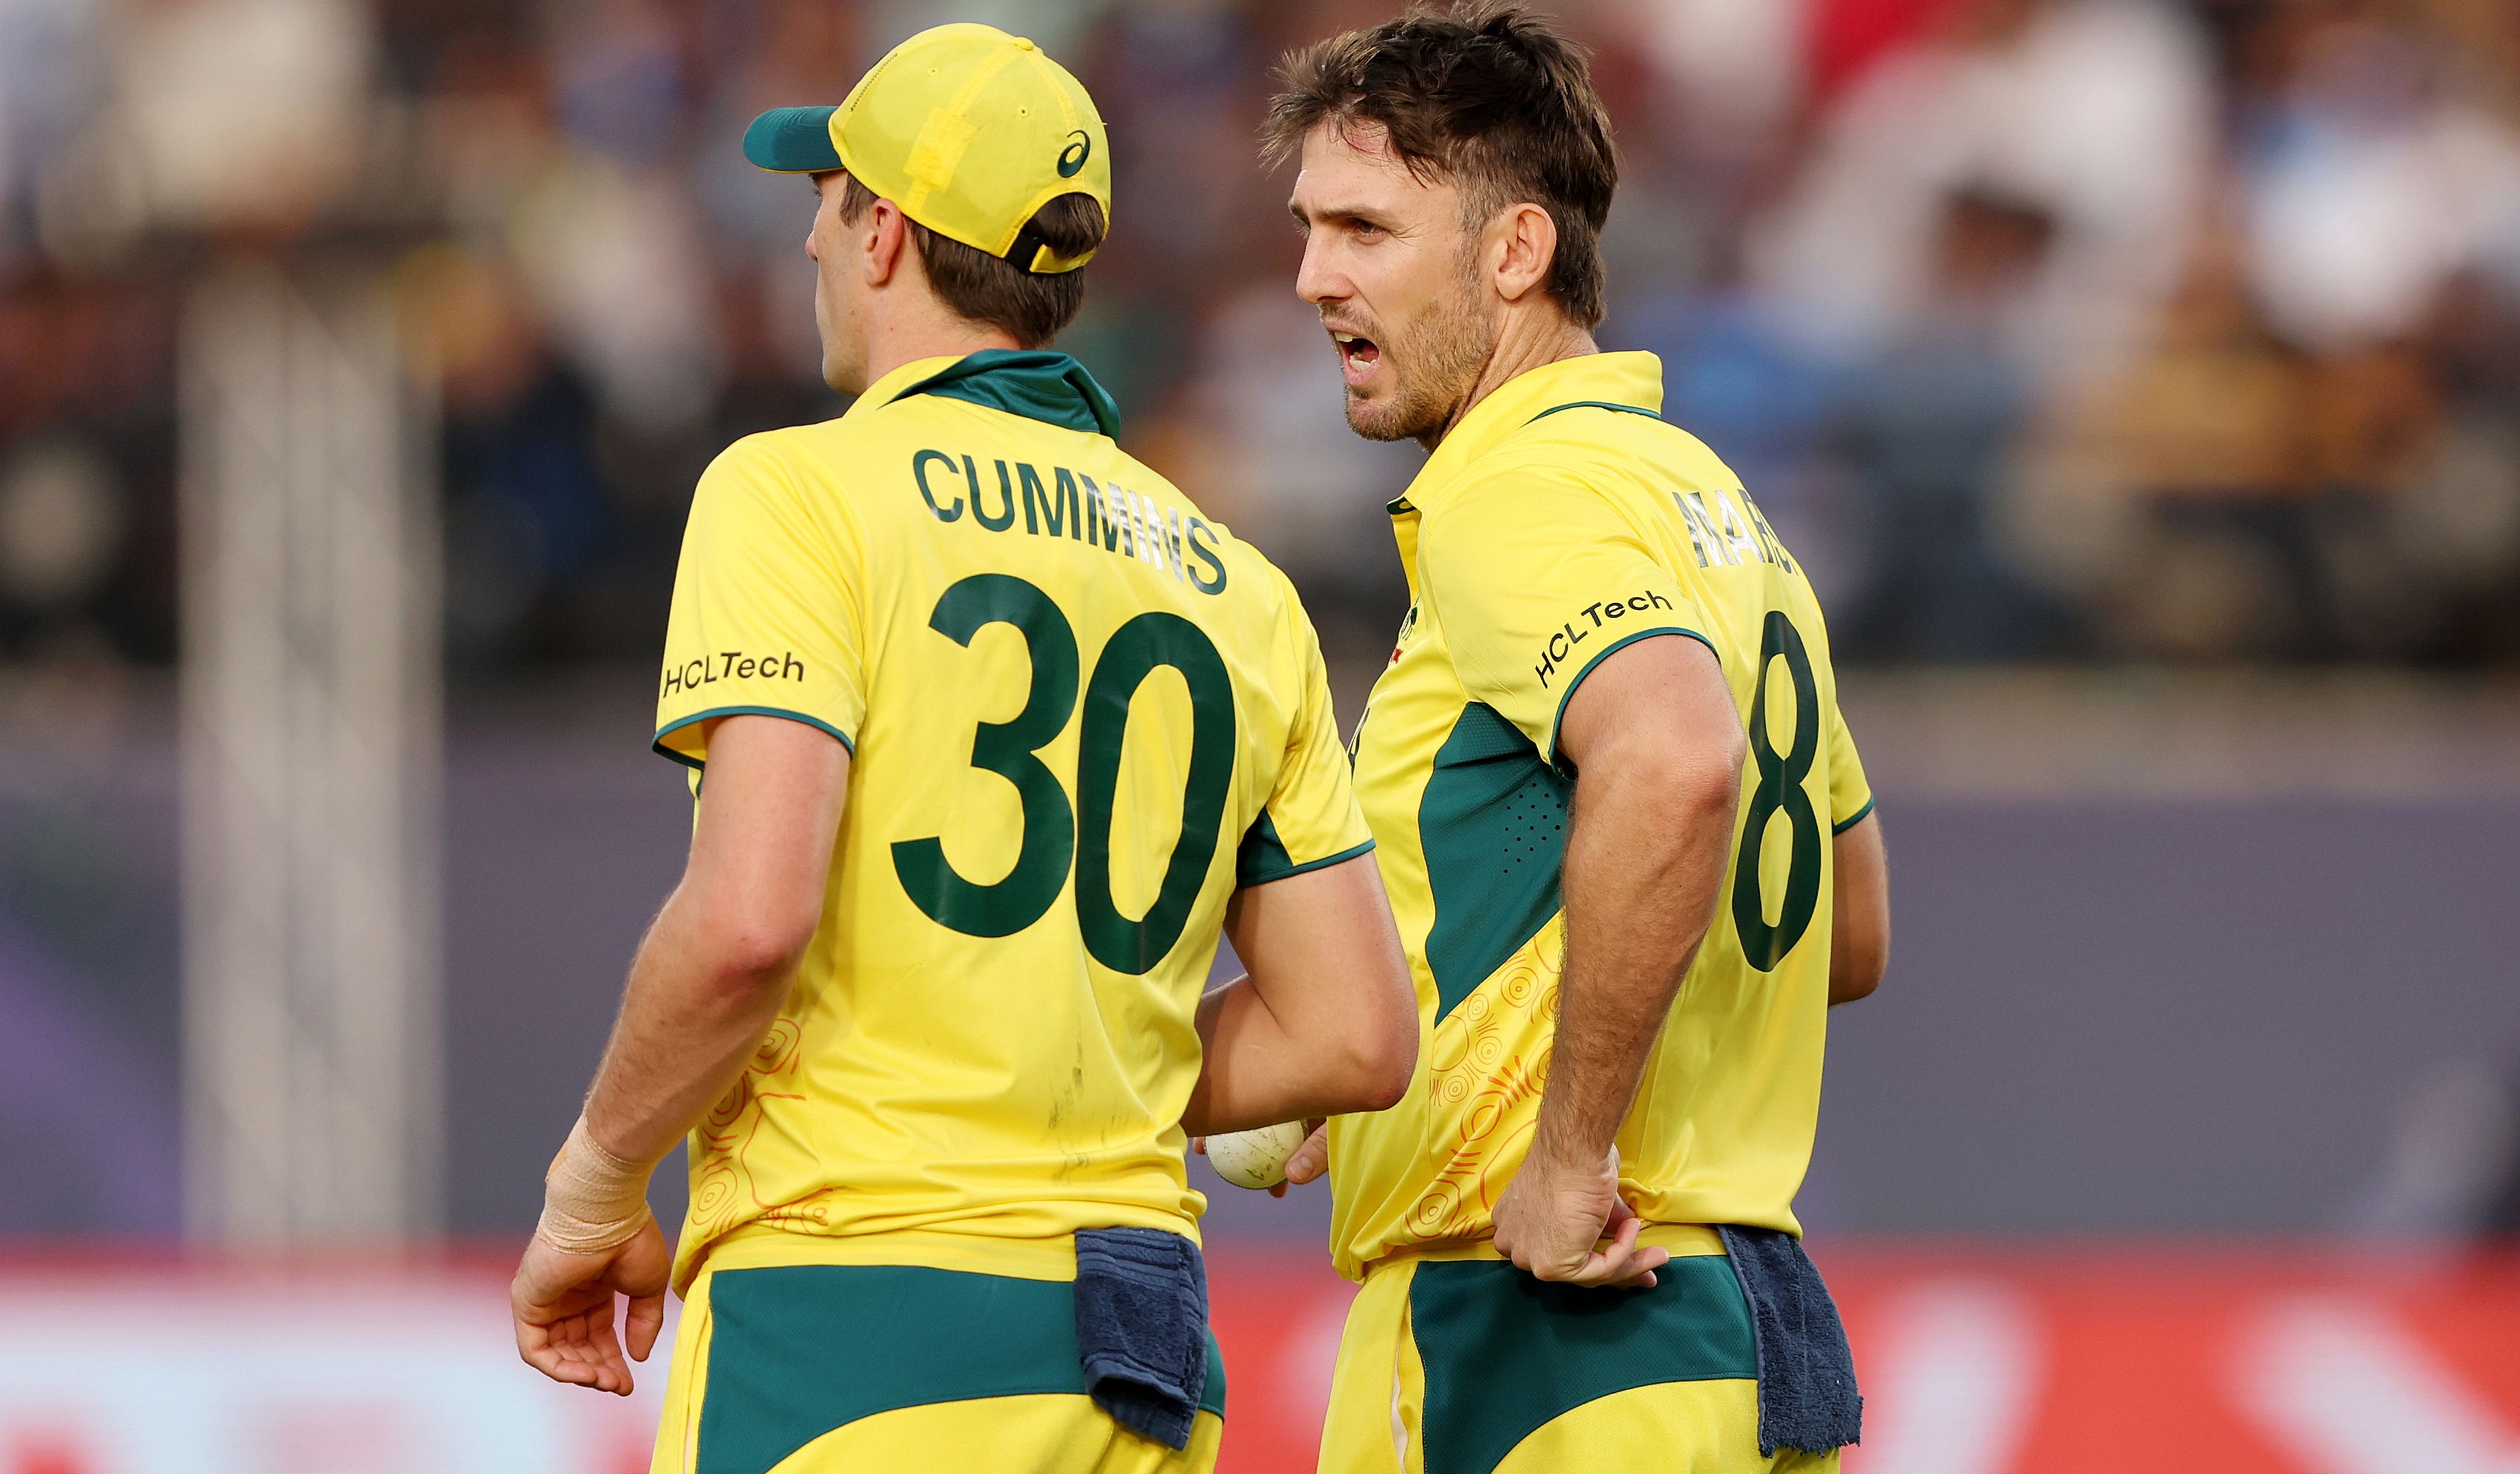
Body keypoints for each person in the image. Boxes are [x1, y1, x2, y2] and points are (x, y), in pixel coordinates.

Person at [505, 25, 1419, 1474]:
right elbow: (1357, 1034)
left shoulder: (797, 491)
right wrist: (1053, 1052)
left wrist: (592, 1186)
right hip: (1143, 1345)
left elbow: (748, 921)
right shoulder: (1234, 580)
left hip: (854, 1317)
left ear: (885, 234)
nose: (807, 234)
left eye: (827, 195)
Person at [1257, 5, 1891, 1471]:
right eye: (1307, 227)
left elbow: (1674, 766)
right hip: (1740, 1329)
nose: (1311, 276)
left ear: (1515, 252)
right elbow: (1842, 937)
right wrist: (1429, 1058)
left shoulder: (1524, 491)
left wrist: (1563, 1152)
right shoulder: (1717, 512)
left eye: (1364, 227)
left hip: (1548, 1323)